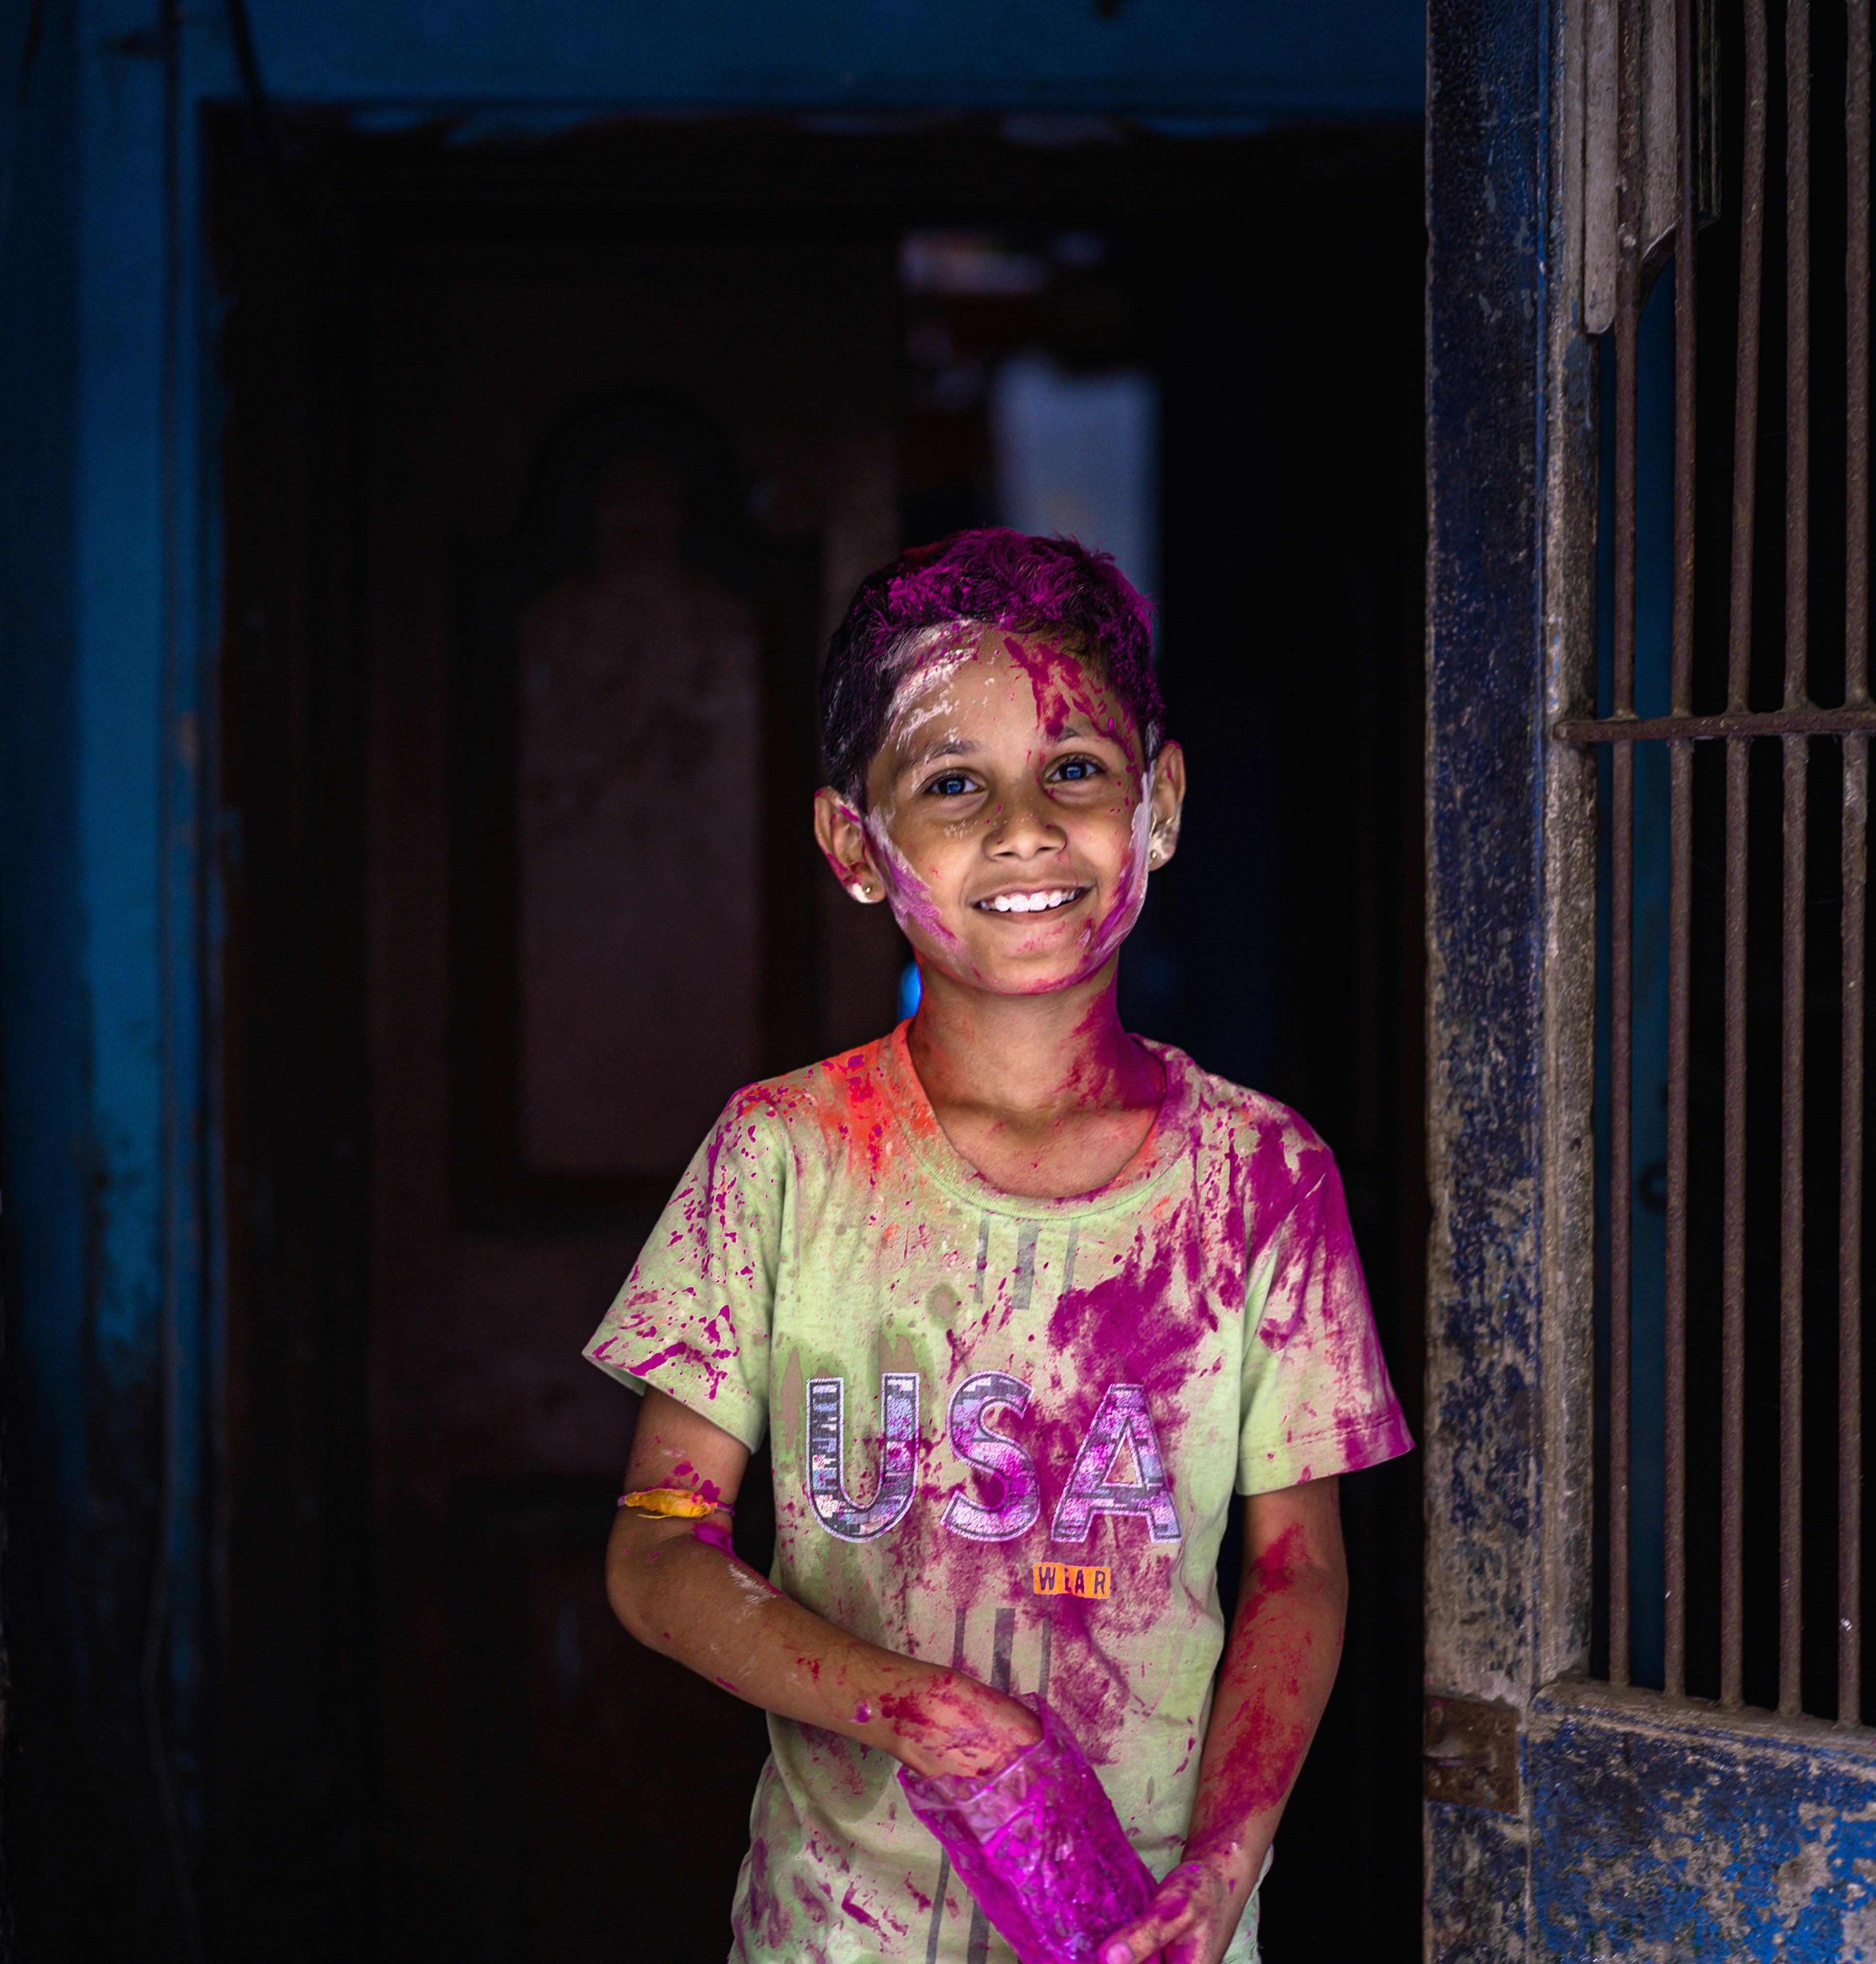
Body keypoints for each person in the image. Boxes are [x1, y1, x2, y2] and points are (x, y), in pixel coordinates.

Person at [590, 528, 1410, 1964]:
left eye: (1077, 770)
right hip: (836, 1931)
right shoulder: (782, 1157)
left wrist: (1225, 1870)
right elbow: (659, 1549)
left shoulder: (1265, 1179)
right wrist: (896, 1701)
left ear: (1157, 804)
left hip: (1154, 1928)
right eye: (953, 784)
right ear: (857, 844)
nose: (1026, 829)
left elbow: (1300, 1573)